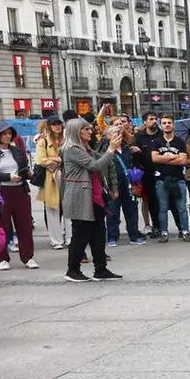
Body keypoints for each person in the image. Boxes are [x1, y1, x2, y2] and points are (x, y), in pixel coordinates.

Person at [59, 119, 123, 281]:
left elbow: (102, 160)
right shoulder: (72, 149)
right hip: (80, 197)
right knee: (81, 235)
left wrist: (110, 145)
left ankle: (100, 269)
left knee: (99, 234)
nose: (90, 131)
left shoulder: (86, 149)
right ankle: (73, 270)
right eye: (86, 129)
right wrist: (111, 149)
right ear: (76, 132)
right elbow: (95, 165)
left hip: (95, 197)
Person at [0, 121, 36, 270]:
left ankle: (28, 257)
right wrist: (7, 177)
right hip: (1, 192)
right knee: (2, 226)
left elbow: (24, 168)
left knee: (24, 225)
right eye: (4, 134)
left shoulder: (17, 150)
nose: (7, 136)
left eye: (9, 134)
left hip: (20, 190)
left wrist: (30, 174)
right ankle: (2, 258)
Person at [104, 115, 146, 247]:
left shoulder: (127, 147)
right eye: (114, 133)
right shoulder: (105, 149)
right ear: (108, 137)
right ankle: (112, 237)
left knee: (131, 210)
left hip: (129, 183)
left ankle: (133, 235)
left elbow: (133, 163)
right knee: (112, 211)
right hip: (113, 184)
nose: (118, 135)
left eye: (119, 133)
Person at [149, 114, 190, 243]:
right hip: (161, 179)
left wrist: (164, 160)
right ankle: (164, 232)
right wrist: (173, 157)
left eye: (169, 122)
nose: (167, 125)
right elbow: (154, 159)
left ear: (173, 124)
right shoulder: (156, 142)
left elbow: (183, 160)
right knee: (162, 207)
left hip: (178, 178)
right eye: (164, 123)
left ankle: (185, 231)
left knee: (182, 207)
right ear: (161, 125)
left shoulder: (179, 141)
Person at [33, 116, 68, 250]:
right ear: (49, 126)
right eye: (54, 124)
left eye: (59, 124)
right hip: (50, 177)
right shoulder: (43, 141)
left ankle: (70, 238)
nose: (57, 127)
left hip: (67, 174)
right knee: (53, 208)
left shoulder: (66, 139)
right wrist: (59, 160)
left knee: (69, 207)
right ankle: (56, 240)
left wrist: (55, 159)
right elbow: (41, 160)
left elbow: (70, 156)